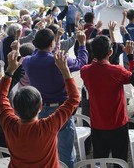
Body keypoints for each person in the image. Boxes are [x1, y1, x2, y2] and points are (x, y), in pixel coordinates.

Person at [0, 49, 80, 168]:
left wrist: (10, 71)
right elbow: (74, 99)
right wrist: (65, 70)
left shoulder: (9, 123)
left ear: (15, 108)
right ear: (40, 106)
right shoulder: (48, 126)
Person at [22, 29, 88, 168]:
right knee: (66, 151)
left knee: (46, 148)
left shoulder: (27, 61)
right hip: (61, 111)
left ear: (35, 43)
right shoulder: (58, 61)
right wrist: (82, 44)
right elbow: (81, 62)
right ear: (51, 44)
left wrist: (55, 42)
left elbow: (39, 53)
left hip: (39, 111)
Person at [80, 37, 134, 163]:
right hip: (118, 124)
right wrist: (130, 56)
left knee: (100, 160)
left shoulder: (85, 71)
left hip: (97, 124)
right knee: (120, 160)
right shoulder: (118, 71)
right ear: (110, 52)